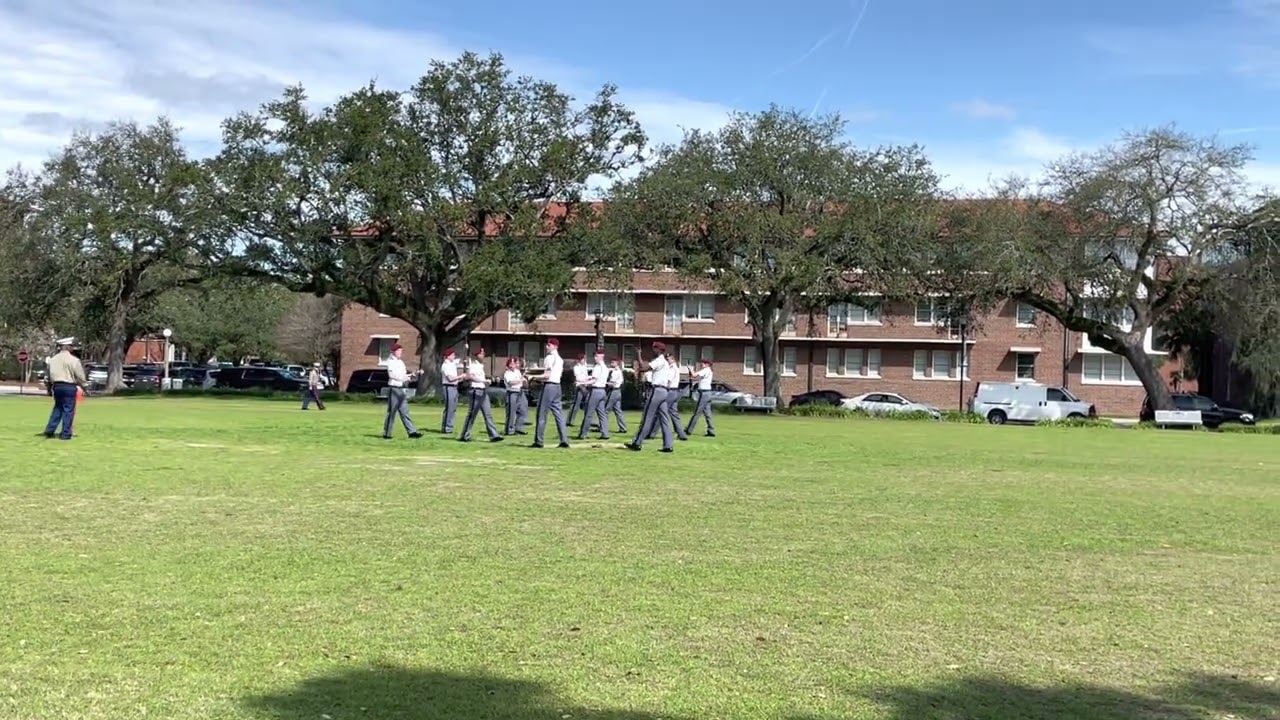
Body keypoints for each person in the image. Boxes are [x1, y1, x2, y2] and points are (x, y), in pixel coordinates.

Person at [627, 341, 673, 453]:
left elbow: (643, 368)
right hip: (664, 391)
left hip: (656, 391)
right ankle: (668, 445)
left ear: (658, 350)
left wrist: (638, 354)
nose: (652, 351)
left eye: (654, 349)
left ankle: (637, 443)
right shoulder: (665, 363)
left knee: (647, 417)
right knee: (664, 419)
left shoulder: (659, 360)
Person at [43, 337, 87, 440]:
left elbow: (48, 376)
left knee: (58, 408)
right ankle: (66, 434)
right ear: (68, 347)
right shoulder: (74, 360)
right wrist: (84, 386)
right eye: (71, 346)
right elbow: (80, 376)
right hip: (69, 386)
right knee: (68, 410)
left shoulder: (52, 360)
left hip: (57, 386)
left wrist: (49, 388)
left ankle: (50, 430)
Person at [531, 338, 570, 448]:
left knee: (542, 413)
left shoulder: (549, 358)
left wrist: (533, 377)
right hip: (557, 386)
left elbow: (547, 376)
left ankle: (539, 441)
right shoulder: (560, 359)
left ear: (554, 346)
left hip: (549, 387)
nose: (546, 347)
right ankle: (564, 439)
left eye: (548, 345)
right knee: (558, 414)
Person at [458, 347, 503, 443]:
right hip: (475, 390)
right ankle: (465, 435)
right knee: (472, 414)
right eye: (481, 353)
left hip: (483, 390)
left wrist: (486, 381)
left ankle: (494, 435)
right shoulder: (473, 364)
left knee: (488, 414)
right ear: (477, 355)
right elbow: (471, 376)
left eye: (483, 353)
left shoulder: (480, 365)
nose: (483, 355)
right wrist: (483, 380)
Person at [382, 343, 423, 440]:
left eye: (401, 351)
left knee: (405, 411)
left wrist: (411, 375)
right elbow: (393, 376)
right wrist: (404, 378)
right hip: (394, 388)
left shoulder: (400, 362)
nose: (400, 353)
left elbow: (404, 374)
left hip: (401, 389)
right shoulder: (390, 362)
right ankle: (387, 433)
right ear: (394, 352)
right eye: (399, 351)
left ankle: (412, 432)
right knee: (392, 412)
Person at [649, 353, 688, 442]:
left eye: (668, 359)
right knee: (674, 414)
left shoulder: (672, 368)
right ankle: (681, 434)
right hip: (674, 392)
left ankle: (652, 433)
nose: (667, 361)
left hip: (670, 391)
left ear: (672, 360)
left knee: (661, 412)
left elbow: (668, 380)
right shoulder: (675, 368)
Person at [577, 348, 610, 440]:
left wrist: (582, 383)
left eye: (596, 356)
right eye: (595, 356)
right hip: (603, 391)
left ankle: (583, 433)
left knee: (589, 413)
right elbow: (593, 378)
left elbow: (594, 380)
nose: (595, 358)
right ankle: (605, 433)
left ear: (601, 356)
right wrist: (584, 380)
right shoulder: (605, 368)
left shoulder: (597, 367)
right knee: (602, 413)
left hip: (595, 391)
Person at [685, 359, 716, 437]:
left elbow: (694, 375)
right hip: (707, 393)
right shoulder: (709, 371)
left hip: (704, 394)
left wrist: (690, 369)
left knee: (697, 412)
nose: (702, 364)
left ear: (708, 364)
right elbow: (695, 377)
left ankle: (689, 430)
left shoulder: (705, 370)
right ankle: (711, 430)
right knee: (708, 413)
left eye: (704, 363)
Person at [502, 357, 529, 436]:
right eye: (511, 363)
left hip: (520, 392)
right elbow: (511, 382)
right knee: (511, 412)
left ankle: (519, 428)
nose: (513, 365)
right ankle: (509, 430)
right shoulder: (507, 373)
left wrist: (524, 381)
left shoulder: (517, 371)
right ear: (508, 365)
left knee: (523, 410)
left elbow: (521, 381)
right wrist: (521, 380)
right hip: (512, 393)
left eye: (514, 363)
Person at [440, 348, 463, 434]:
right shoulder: (445, 365)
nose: (454, 356)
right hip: (448, 387)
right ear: (448, 356)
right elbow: (450, 378)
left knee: (453, 408)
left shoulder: (452, 364)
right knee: (449, 408)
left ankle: (450, 426)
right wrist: (460, 376)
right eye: (452, 355)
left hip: (454, 387)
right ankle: (446, 428)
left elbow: (460, 361)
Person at [604, 356, 628, 434]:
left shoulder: (616, 372)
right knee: (618, 411)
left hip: (614, 391)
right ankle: (623, 427)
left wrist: (605, 383)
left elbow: (613, 383)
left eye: (613, 362)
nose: (611, 363)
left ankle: (603, 427)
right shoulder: (615, 370)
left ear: (617, 363)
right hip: (617, 392)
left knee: (606, 410)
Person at [567, 353, 590, 426]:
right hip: (580, 386)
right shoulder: (576, 367)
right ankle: (570, 421)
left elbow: (585, 375)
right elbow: (578, 378)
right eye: (583, 359)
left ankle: (589, 420)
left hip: (585, 385)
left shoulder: (585, 366)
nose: (584, 360)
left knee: (588, 403)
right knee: (576, 404)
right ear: (580, 359)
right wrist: (587, 379)